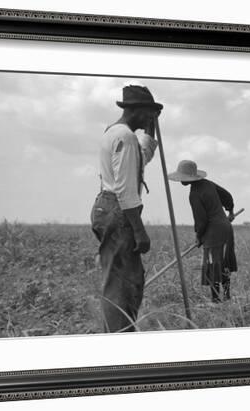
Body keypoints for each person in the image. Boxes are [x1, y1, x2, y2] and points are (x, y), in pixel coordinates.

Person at [90, 85, 162, 332]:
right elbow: (125, 190)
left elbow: (144, 152)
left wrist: (152, 123)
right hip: (119, 209)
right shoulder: (125, 137)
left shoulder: (114, 132)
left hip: (105, 206)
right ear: (135, 110)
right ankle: (121, 343)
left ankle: (118, 334)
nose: (148, 118)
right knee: (123, 286)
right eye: (147, 113)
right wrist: (139, 231)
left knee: (120, 282)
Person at [168, 160, 238, 303]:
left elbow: (201, 221)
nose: (181, 180)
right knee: (223, 263)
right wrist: (230, 211)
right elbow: (227, 196)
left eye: (183, 177)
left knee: (213, 264)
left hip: (214, 233)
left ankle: (215, 301)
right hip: (226, 228)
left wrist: (198, 236)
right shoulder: (208, 184)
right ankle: (227, 296)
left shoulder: (194, 194)